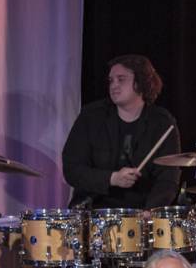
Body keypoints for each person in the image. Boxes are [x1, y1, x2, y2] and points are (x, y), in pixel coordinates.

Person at [62, 54, 181, 210]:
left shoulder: (162, 122)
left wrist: (151, 211)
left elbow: (168, 179)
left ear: (140, 82)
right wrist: (112, 178)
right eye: (111, 80)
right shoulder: (91, 116)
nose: (114, 85)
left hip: (143, 212)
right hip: (94, 212)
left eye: (121, 79)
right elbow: (72, 169)